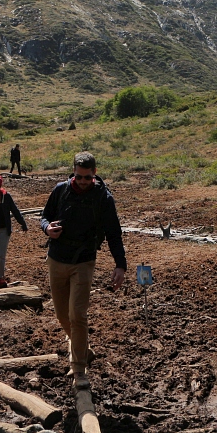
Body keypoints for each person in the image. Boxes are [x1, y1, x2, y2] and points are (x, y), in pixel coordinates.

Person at [40, 151, 126, 390]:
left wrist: (120, 265)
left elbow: (114, 233)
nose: (82, 181)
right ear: (73, 173)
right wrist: (47, 228)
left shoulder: (103, 198)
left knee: (77, 314)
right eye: (78, 177)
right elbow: (44, 216)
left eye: (87, 177)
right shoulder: (61, 190)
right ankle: (84, 349)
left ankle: (79, 368)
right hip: (56, 258)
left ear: (94, 174)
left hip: (84, 261)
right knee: (62, 316)